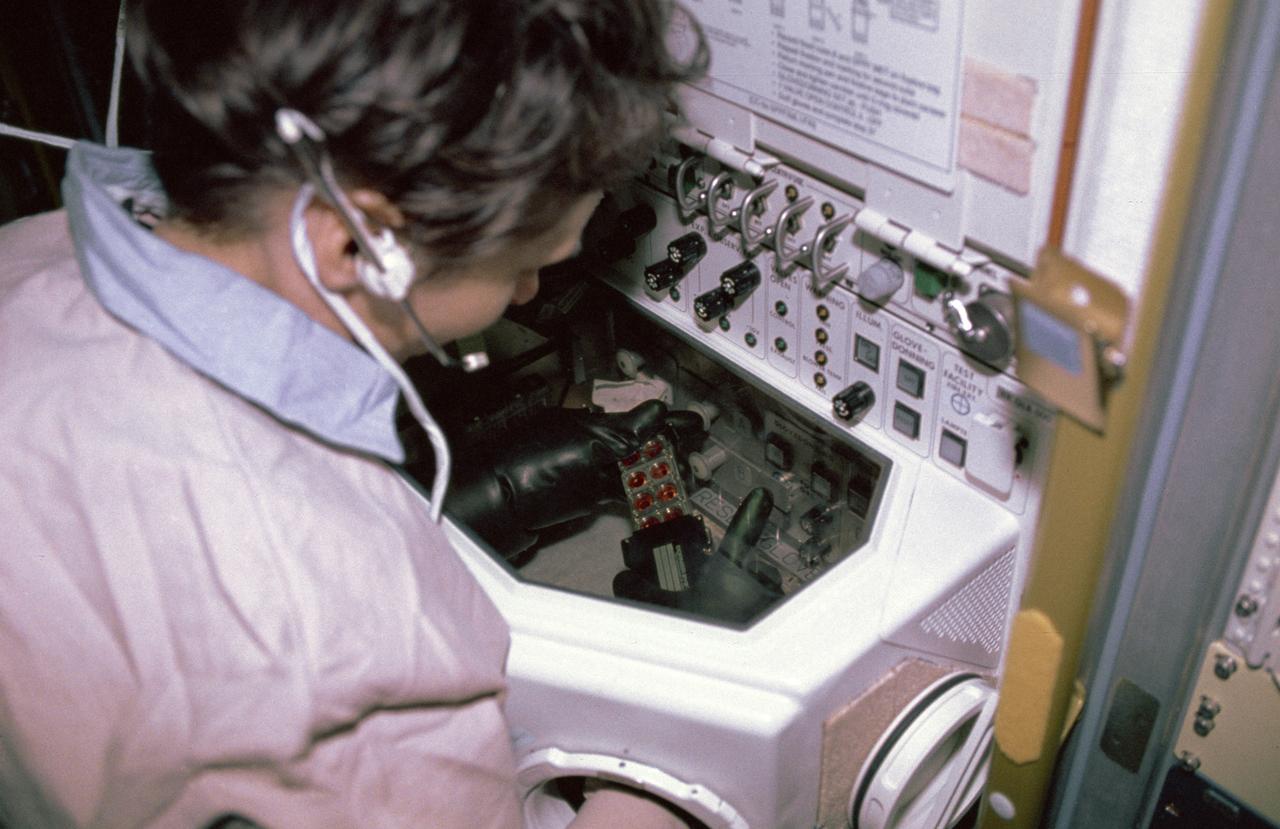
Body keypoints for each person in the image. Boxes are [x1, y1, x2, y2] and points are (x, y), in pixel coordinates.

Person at [0, 0, 707, 826]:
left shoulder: (29, 250)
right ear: (356, 245)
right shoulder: (337, 648)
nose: (527, 293)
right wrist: (668, 792)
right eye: (526, 259)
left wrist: (496, 491)